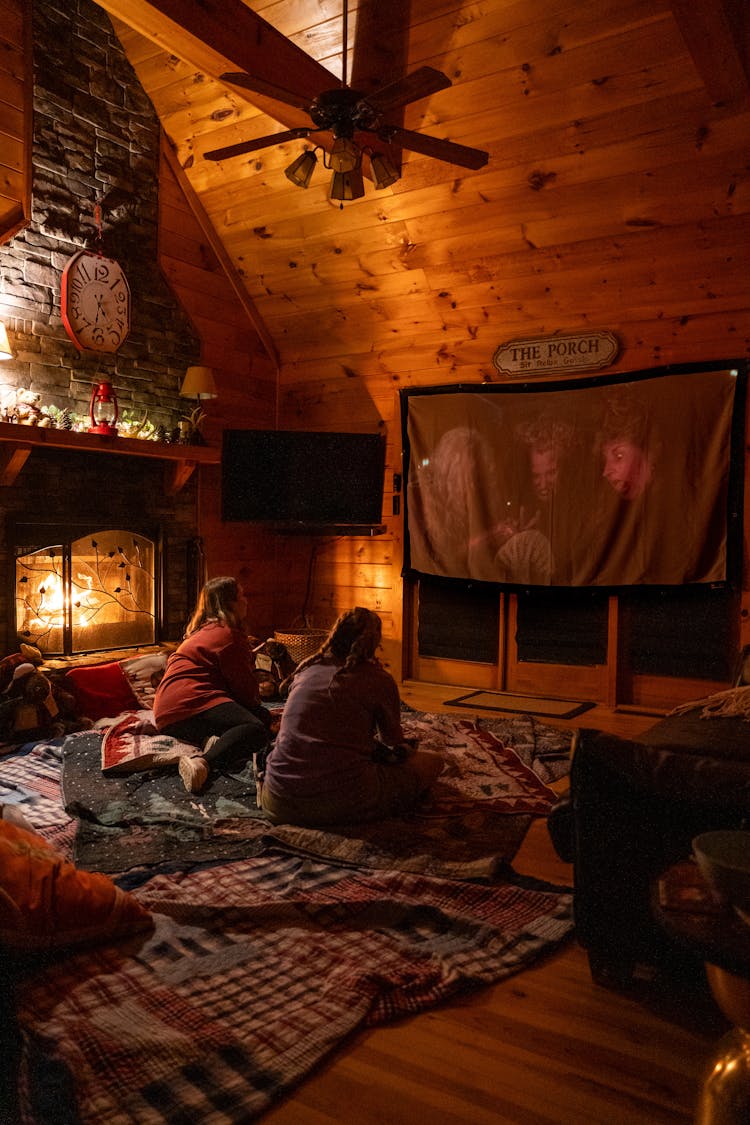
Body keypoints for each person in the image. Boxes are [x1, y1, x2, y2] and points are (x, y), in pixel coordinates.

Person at [259, 607, 444, 827]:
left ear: (334, 634)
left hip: (278, 803)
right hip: (342, 803)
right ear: (375, 642)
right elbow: (393, 742)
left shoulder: (306, 669)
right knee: (433, 761)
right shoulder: (378, 679)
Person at [153, 575, 273, 793]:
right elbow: (247, 695)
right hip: (191, 701)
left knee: (262, 718)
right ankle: (203, 763)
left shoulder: (205, 631)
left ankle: (217, 740)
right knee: (255, 728)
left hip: (169, 712)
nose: (246, 601)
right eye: (241, 596)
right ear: (230, 604)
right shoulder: (228, 636)